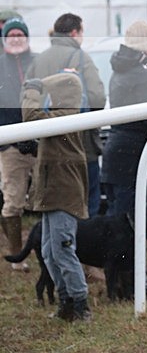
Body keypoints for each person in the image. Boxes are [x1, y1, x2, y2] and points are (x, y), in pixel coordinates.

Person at [21, 72, 91, 321]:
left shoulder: (65, 117)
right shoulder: (60, 116)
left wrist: (32, 90)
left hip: (63, 193)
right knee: (50, 252)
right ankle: (66, 301)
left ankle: (80, 304)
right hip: (52, 192)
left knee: (62, 249)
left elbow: (31, 117)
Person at [25, 13, 106, 218]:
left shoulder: (39, 58)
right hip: (79, 137)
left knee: (52, 197)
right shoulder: (81, 57)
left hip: (46, 136)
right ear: (74, 32)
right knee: (87, 194)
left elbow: (26, 92)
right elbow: (97, 97)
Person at [100, 20, 147, 216]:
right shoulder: (143, 76)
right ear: (144, 49)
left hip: (115, 151)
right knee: (128, 222)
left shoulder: (118, 71)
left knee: (116, 217)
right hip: (133, 156)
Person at [0, 17, 37, 270]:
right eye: (10, 34)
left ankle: (49, 246)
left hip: (39, 141)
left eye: (19, 34)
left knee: (46, 196)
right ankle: (16, 255)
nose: (15, 38)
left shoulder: (38, 63)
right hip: (10, 144)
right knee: (13, 199)